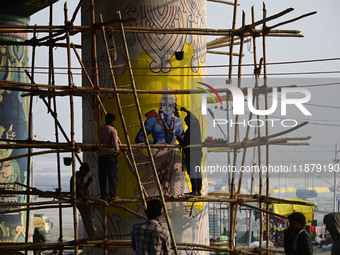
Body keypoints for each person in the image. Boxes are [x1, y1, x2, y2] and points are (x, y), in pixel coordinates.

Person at [176, 107, 202, 196]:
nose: (186, 124)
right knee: (198, 171)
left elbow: (185, 144)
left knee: (192, 172)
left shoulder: (189, 132)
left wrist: (177, 137)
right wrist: (186, 111)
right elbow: (194, 118)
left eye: (186, 123)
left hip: (191, 154)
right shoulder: (197, 126)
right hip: (198, 152)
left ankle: (194, 190)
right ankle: (199, 190)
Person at [70, 163, 97, 238]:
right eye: (85, 172)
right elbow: (77, 190)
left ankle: (92, 235)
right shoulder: (76, 178)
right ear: (82, 170)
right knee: (88, 219)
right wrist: (83, 197)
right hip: (81, 202)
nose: (85, 174)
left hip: (82, 201)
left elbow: (81, 188)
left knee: (87, 219)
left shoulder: (79, 178)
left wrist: (88, 183)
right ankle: (93, 236)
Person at [97, 113, 120, 200]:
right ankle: (112, 195)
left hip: (101, 155)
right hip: (110, 156)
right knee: (112, 176)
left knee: (102, 177)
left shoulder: (99, 129)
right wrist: (117, 153)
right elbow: (115, 143)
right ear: (112, 121)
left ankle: (103, 195)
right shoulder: (113, 130)